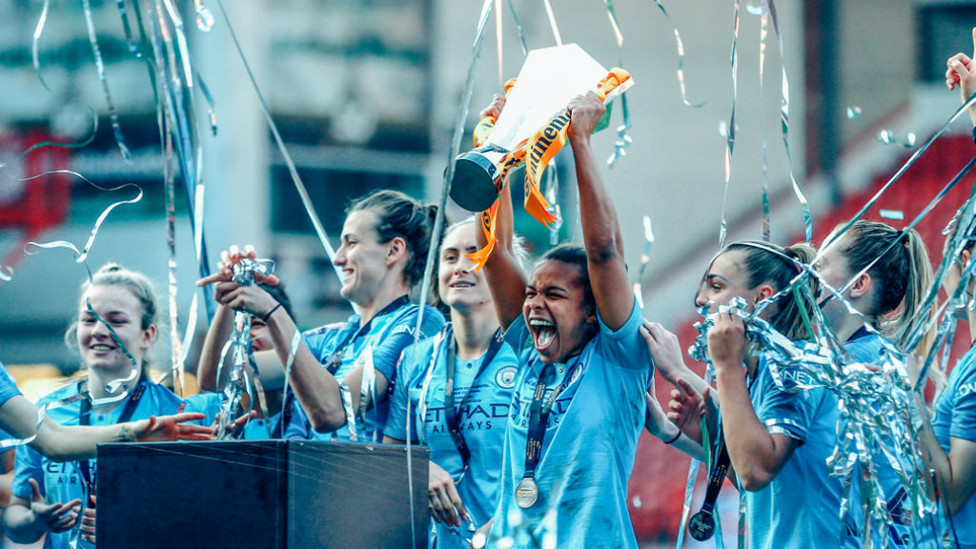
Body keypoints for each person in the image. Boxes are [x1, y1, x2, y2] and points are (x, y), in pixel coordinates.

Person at [473, 92, 652, 548]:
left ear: (593, 312)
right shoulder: (531, 357)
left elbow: (604, 249)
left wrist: (580, 142)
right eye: (531, 292)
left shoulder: (619, 358)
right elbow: (492, 254)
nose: (532, 304)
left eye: (553, 294)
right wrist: (495, 153)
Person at [198, 190, 446, 442]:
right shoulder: (335, 337)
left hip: (366, 481)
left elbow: (332, 412)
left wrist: (273, 313)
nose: (338, 258)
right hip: (305, 479)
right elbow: (218, 377)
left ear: (393, 250)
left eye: (351, 243)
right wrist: (235, 289)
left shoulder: (421, 321)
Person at [3, 264, 211, 548]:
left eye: (116, 320)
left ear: (147, 334)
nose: (100, 330)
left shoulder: (173, 418)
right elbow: (17, 518)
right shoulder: (47, 412)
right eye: (89, 320)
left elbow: (203, 520)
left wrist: (136, 527)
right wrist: (34, 521)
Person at [384, 218, 521, 548]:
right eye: (450, 257)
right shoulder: (416, 360)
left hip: (515, 538)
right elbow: (389, 456)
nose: (461, 266)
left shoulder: (528, 354)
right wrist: (421, 469)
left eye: (475, 255)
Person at [817, 219, 939, 547]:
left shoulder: (867, 364)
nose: (807, 273)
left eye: (821, 264)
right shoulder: (848, 359)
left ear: (858, 284)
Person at [188, 279, 296, 439]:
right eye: (236, 327)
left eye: (256, 324)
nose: (244, 335)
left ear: (286, 331)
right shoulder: (200, 412)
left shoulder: (310, 408)